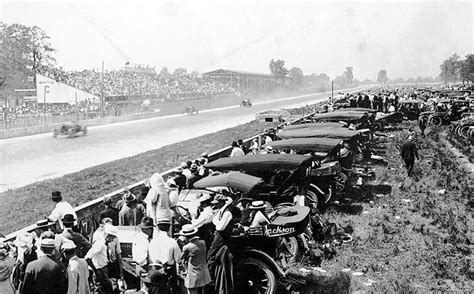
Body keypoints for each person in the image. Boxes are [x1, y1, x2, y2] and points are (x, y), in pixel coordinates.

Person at [149, 219, 182, 293]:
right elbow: (178, 259)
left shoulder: (152, 241)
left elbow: (150, 256)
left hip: (155, 271)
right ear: (169, 228)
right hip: (168, 271)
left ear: (158, 227)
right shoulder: (172, 242)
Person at [85, 224, 116, 294]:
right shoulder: (99, 244)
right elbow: (87, 257)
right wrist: (96, 270)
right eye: (112, 237)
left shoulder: (104, 243)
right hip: (100, 270)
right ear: (107, 236)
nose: (113, 240)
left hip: (103, 269)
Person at [179, 225, 211, 294]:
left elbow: (181, 259)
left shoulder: (186, 247)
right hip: (203, 273)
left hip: (192, 275)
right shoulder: (203, 242)